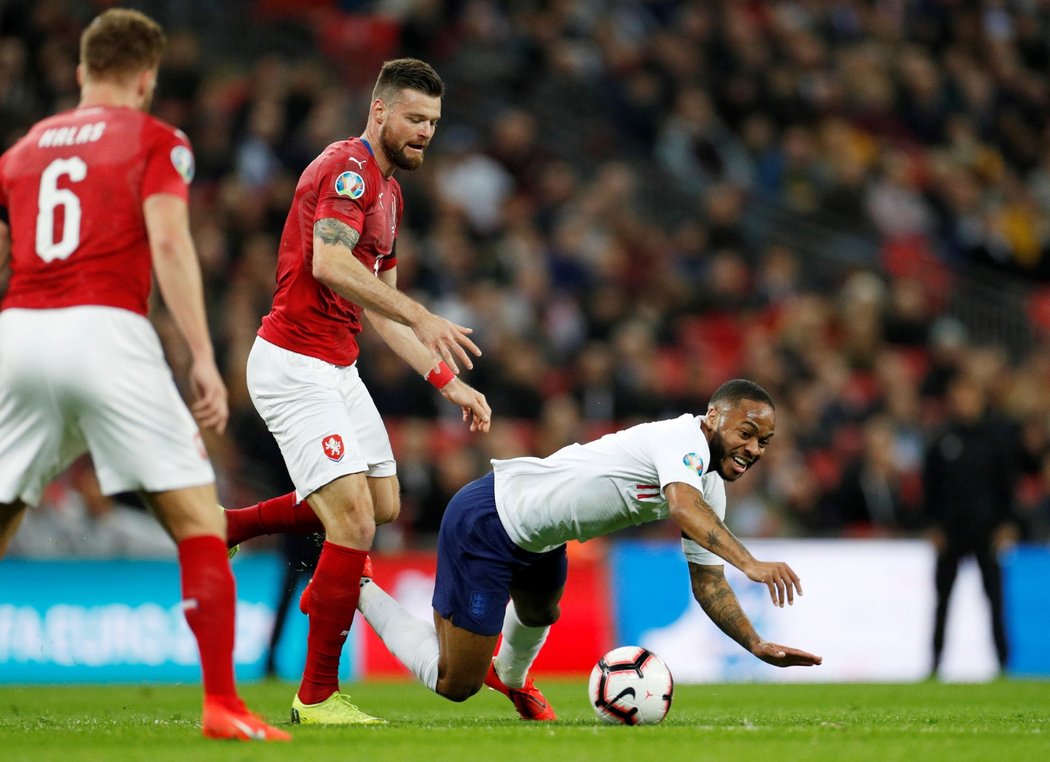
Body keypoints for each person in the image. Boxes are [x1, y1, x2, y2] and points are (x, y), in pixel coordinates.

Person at [0, 9, 288, 741]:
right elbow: (167, 237)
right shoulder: (158, 139)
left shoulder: (22, 151)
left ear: (79, 74)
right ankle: (222, 704)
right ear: (147, 76)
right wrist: (200, 352)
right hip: (106, 330)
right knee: (197, 520)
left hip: (20, 331)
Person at [232, 57, 491, 725]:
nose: (425, 132)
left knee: (381, 503)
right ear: (379, 112)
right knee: (349, 522)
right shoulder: (348, 170)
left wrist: (448, 382)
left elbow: (381, 308)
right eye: (413, 118)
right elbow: (329, 261)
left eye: (433, 122)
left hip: (336, 365)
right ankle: (315, 696)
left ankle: (240, 529)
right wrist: (424, 317)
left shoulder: (392, 195)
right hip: (293, 362)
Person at [356, 378, 822, 720]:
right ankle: (359, 585)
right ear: (715, 417)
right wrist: (752, 563)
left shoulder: (709, 488)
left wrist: (754, 643)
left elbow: (708, 581)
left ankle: (514, 680)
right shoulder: (681, 439)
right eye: (747, 433)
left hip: (541, 539)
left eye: (764, 441)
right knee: (455, 683)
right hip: (492, 518)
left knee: (540, 612)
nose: (755, 449)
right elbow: (680, 505)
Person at [922, 373, 1018, 679]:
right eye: (958, 395)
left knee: (995, 601)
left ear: (979, 398)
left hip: (987, 532)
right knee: (942, 602)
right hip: (950, 534)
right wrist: (932, 524)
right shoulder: (941, 440)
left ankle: (1003, 665)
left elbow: (1007, 487)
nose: (963, 401)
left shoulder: (997, 439)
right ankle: (935, 665)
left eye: (968, 394)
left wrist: (1007, 524)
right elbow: (930, 487)